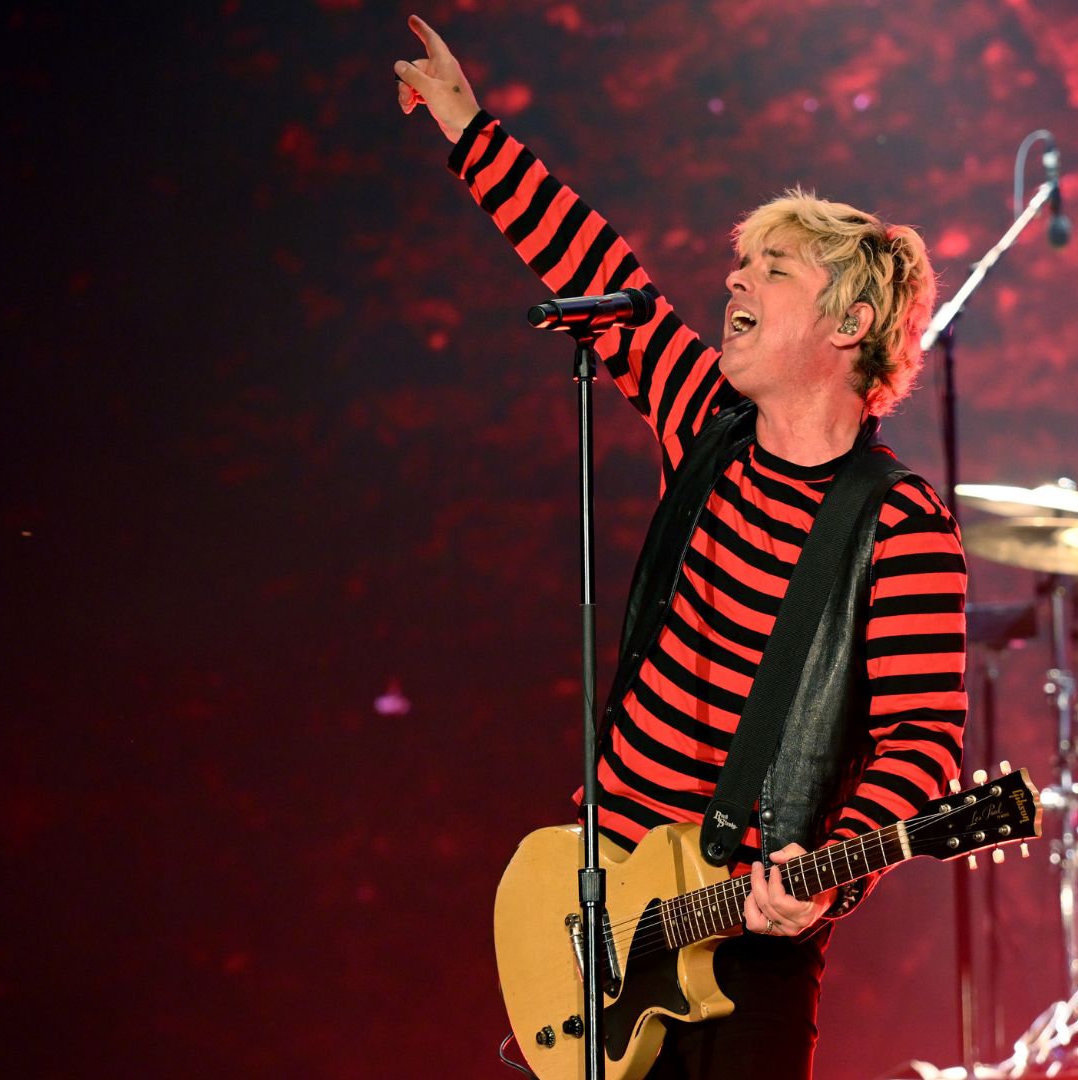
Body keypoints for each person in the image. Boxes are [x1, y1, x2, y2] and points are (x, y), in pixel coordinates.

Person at [393, 16, 967, 1077]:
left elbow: (926, 740)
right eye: (741, 263)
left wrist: (830, 872)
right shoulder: (707, 426)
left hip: (746, 938)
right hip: (598, 903)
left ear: (848, 323)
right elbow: (601, 272)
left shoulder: (901, 526)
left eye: (773, 270)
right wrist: (470, 126)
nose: (735, 283)